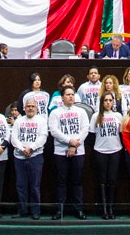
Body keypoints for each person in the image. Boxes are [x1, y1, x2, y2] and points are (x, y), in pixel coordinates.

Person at [48, 86, 89, 219]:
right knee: (61, 181)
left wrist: (74, 145)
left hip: (78, 151)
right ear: (62, 97)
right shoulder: (55, 112)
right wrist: (70, 141)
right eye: (68, 94)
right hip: (61, 151)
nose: (71, 97)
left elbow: (85, 129)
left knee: (77, 181)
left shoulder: (81, 112)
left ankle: (79, 210)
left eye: (72, 94)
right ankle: (60, 210)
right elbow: (54, 131)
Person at [10, 97, 48, 220]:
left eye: (32, 106)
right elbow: (14, 138)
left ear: (36, 108)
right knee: (21, 185)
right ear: (24, 108)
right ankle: (22, 210)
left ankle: (35, 211)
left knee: (35, 186)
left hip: (35, 157)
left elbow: (43, 137)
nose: (30, 108)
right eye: (28, 106)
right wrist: (22, 149)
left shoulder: (41, 121)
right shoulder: (19, 121)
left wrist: (31, 148)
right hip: (19, 157)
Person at [89, 91, 123, 218]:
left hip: (115, 150)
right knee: (102, 180)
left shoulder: (118, 116)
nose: (108, 103)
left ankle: (111, 207)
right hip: (100, 151)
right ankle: (103, 208)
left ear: (113, 102)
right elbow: (91, 134)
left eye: (110, 100)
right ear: (102, 102)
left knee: (113, 180)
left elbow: (121, 133)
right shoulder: (95, 116)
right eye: (105, 100)